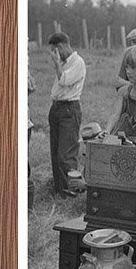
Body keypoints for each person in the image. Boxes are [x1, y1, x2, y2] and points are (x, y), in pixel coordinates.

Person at [46, 32, 86, 196]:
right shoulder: (65, 62)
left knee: (66, 154)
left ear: (61, 46)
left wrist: (56, 63)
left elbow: (64, 80)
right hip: (56, 107)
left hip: (69, 109)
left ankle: (72, 191)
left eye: (55, 51)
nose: (55, 55)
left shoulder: (78, 62)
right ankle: (60, 190)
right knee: (55, 153)